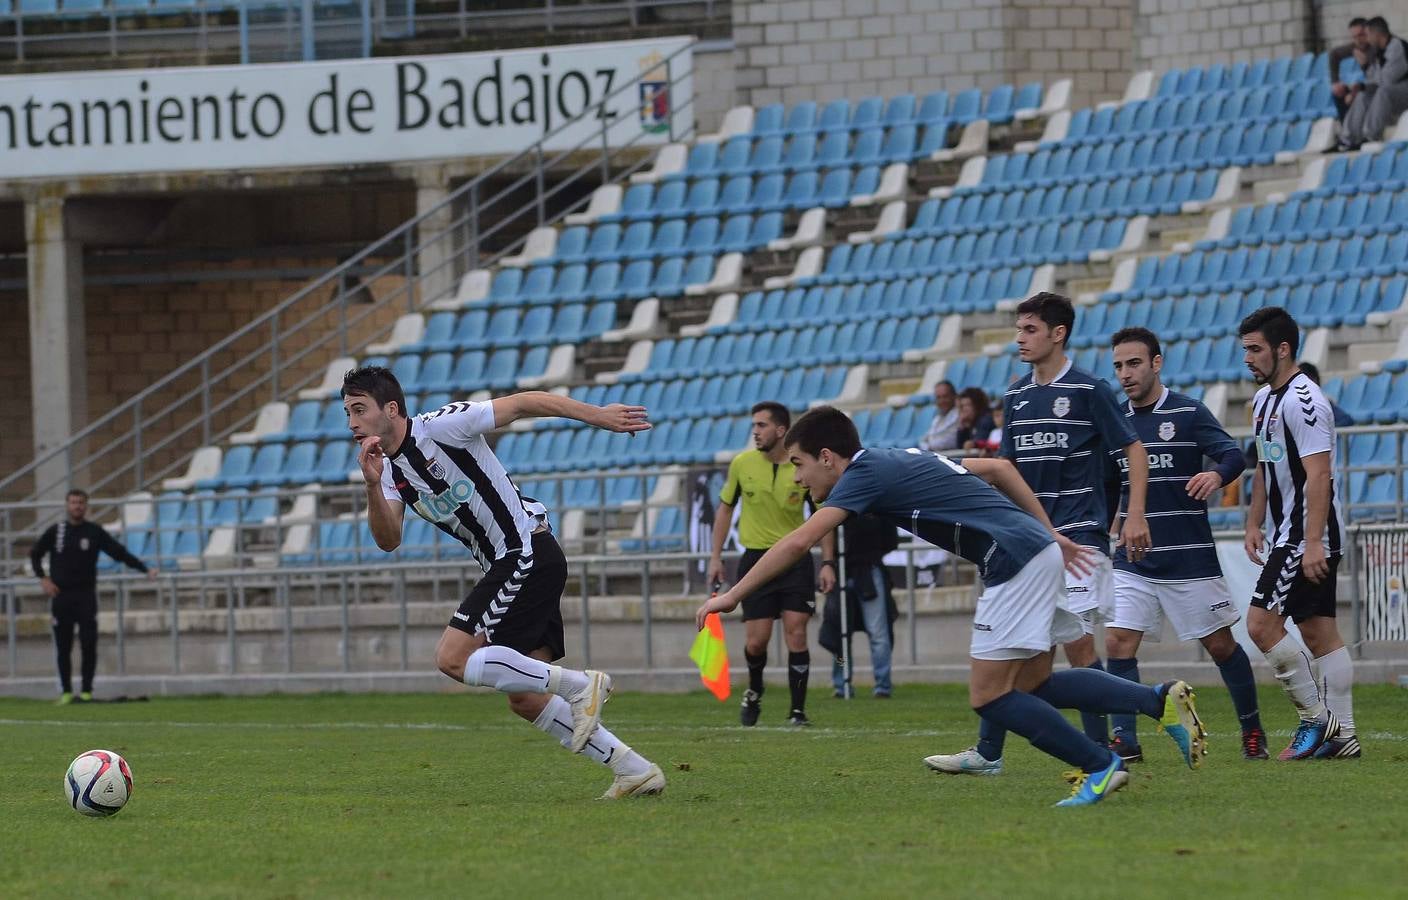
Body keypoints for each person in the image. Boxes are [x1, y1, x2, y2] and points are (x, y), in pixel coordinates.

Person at [695, 406, 1206, 807]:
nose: (799, 480)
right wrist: (1048, 534)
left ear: (827, 457)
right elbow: (1000, 468)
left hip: (1012, 560)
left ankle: (1099, 765)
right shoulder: (898, 457)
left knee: (989, 697)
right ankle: (1157, 700)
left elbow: (797, 541)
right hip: (1031, 551)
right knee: (1034, 686)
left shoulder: (863, 476)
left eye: (800, 466)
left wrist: (733, 595)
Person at [345, 366, 667, 798]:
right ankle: (634, 770)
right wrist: (370, 486)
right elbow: (388, 540)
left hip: (524, 552)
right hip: (518, 561)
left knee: (452, 658)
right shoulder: (386, 472)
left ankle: (581, 685)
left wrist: (597, 416)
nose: (352, 422)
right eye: (348, 412)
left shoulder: (441, 427)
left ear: (391, 409)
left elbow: (522, 403)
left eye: (360, 409)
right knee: (524, 696)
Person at [926, 292, 1152, 775]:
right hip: (1028, 543)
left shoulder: (1090, 391)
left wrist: (1135, 514)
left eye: (1029, 330)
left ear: (1058, 333)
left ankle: (1110, 752)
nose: (1019, 339)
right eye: (1018, 329)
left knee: (1078, 647)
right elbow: (1006, 468)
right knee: (1023, 654)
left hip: (1078, 535)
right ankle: (991, 754)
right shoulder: (1016, 396)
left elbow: (1134, 451)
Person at [1104, 328, 1268, 761]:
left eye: (1134, 363)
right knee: (1119, 642)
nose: (1126, 373)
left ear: (1156, 364)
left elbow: (1233, 455)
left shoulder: (1189, 412)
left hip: (1188, 557)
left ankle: (1252, 730)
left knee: (1220, 646)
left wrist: (1216, 475)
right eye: (1119, 365)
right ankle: (1126, 740)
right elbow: (1107, 482)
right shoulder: (1114, 422)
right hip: (1133, 558)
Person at [1240, 308, 1360, 759]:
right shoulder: (1263, 400)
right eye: (1245, 350)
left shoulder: (1304, 400)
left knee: (1260, 624)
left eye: (1255, 349)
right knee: (1318, 632)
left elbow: (1319, 475)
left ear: (1282, 349)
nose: (1248, 359)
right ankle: (1344, 737)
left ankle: (1317, 720)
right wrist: (1252, 522)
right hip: (1286, 531)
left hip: (1305, 534)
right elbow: (1266, 467)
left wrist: (1312, 542)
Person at [708, 401, 836, 727]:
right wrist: (715, 557)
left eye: (761, 425)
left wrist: (828, 562)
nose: (755, 432)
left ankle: (797, 711)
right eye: (753, 426)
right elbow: (724, 509)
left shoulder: (801, 466)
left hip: (796, 560)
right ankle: (754, 690)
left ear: (781, 430)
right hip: (755, 560)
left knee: (796, 634)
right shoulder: (742, 464)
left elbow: (824, 515)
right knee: (756, 641)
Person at [29, 489, 156, 704]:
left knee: (89, 644)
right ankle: (66, 692)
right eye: (73, 502)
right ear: (67, 505)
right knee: (63, 646)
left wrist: (145, 569)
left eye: (81, 503)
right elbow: (35, 553)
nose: (77, 506)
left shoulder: (94, 532)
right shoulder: (57, 531)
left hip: (86, 596)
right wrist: (44, 579)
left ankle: (87, 691)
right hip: (62, 597)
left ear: (86, 506)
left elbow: (119, 552)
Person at [819, 512, 898, 698]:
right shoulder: (837, 504)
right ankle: (841, 683)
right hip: (841, 572)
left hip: (869, 571)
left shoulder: (876, 508)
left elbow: (889, 540)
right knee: (840, 636)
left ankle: (882, 686)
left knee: (878, 633)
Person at [1340, 17, 1408, 150]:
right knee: (1363, 94)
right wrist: (1361, 86)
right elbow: (1373, 79)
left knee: (1383, 91)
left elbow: (1387, 80)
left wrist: (1366, 70)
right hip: (1395, 92)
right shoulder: (1378, 51)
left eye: (1368, 35)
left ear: (1377, 34)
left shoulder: (1397, 47)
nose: (1367, 39)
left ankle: (1370, 135)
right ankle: (1348, 139)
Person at [1329, 18, 1374, 121]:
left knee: (1356, 94)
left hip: (1379, 87)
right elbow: (1334, 54)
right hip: (1366, 85)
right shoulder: (1355, 47)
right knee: (1339, 91)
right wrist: (1335, 81)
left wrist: (1365, 64)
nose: (1358, 40)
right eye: (1354, 37)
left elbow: (1377, 79)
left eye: (1361, 35)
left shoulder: (1375, 48)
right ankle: (1346, 129)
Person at [1297, 361, 1355, 427]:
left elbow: (1347, 420)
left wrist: (1325, 428)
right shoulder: (1291, 403)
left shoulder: (1323, 402)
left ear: (1314, 380)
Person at [917, 380, 960, 451]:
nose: (942, 401)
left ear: (954, 396)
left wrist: (929, 445)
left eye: (945, 396)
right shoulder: (937, 418)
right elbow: (923, 440)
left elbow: (948, 442)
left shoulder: (959, 415)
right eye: (938, 397)